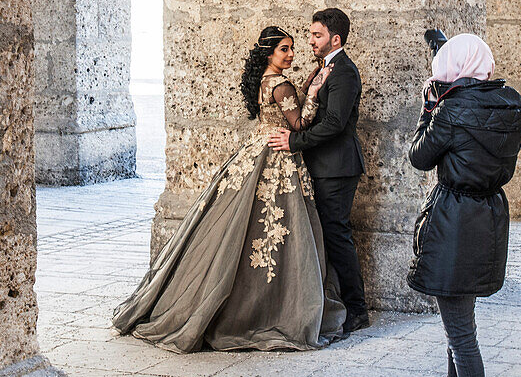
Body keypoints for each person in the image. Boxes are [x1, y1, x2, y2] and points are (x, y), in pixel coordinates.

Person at [112, 26, 346, 352]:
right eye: (284, 49)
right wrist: (317, 92)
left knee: (245, 226)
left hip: (257, 149)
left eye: (292, 48)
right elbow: (299, 124)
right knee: (279, 229)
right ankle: (276, 307)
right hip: (278, 157)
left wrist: (305, 86)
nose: (291, 54)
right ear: (269, 54)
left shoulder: (266, 80)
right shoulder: (281, 85)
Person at [407, 33, 521, 377]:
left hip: (456, 218)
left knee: (460, 330)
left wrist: (430, 108)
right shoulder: (511, 104)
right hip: (490, 213)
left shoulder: (452, 110)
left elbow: (419, 157)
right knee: (459, 317)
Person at [268, 8, 369, 336]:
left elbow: (335, 124)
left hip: (337, 168)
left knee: (337, 236)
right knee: (326, 235)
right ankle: (330, 301)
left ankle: (357, 310)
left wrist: (295, 141)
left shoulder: (344, 73)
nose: (310, 40)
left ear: (335, 39)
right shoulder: (324, 68)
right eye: (310, 35)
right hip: (322, 165)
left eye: (317, 35)